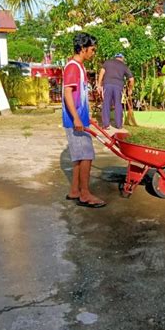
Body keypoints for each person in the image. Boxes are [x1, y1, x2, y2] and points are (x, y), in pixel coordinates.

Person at [62, 32, 106, 208]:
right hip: (75, 120)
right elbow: (67, 94)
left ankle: (75, 190)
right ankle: (85, 194)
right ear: (82, 49)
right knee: (87, 156)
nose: (93, 53)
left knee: (79, 157)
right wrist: (77, 119)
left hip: (80, 119)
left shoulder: (79, 67)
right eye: (92, 50)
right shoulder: (73, 67)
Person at [97, 53, 134, 131]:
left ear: (115, 58)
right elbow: (131, 79)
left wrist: (99, 85)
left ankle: (106, 125)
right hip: (118, 86)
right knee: (118, 104)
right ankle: (119, 125)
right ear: (122, 58)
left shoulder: (107, 62)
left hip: (107, 84)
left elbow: (102, 72)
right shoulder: (124, 66)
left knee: (106, 103)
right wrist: (130, 89)